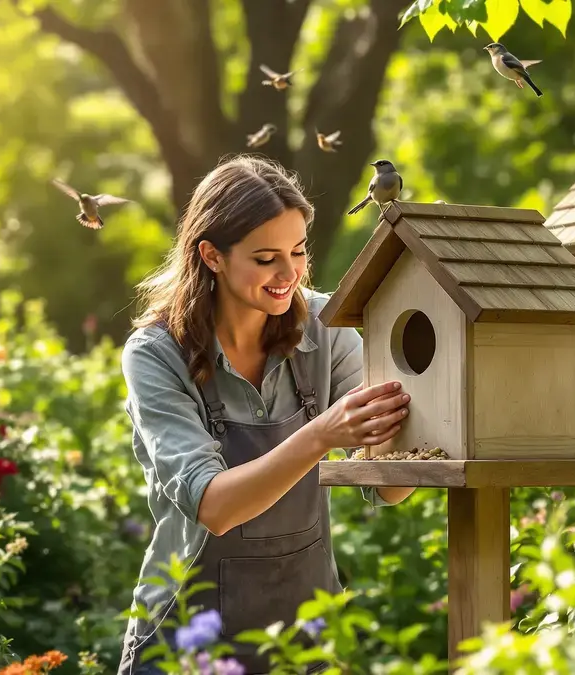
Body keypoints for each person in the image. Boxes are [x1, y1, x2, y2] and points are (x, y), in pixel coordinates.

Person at [116, 155, 414, 675]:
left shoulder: (327, 326)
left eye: (298, 252)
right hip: (186, 640)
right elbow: (215, 506)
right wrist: (322, 433)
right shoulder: (156, 354)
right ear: (211, 255)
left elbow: (388, 487)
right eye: (266, 258)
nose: (289, 274)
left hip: (303, 636)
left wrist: (419, 418)